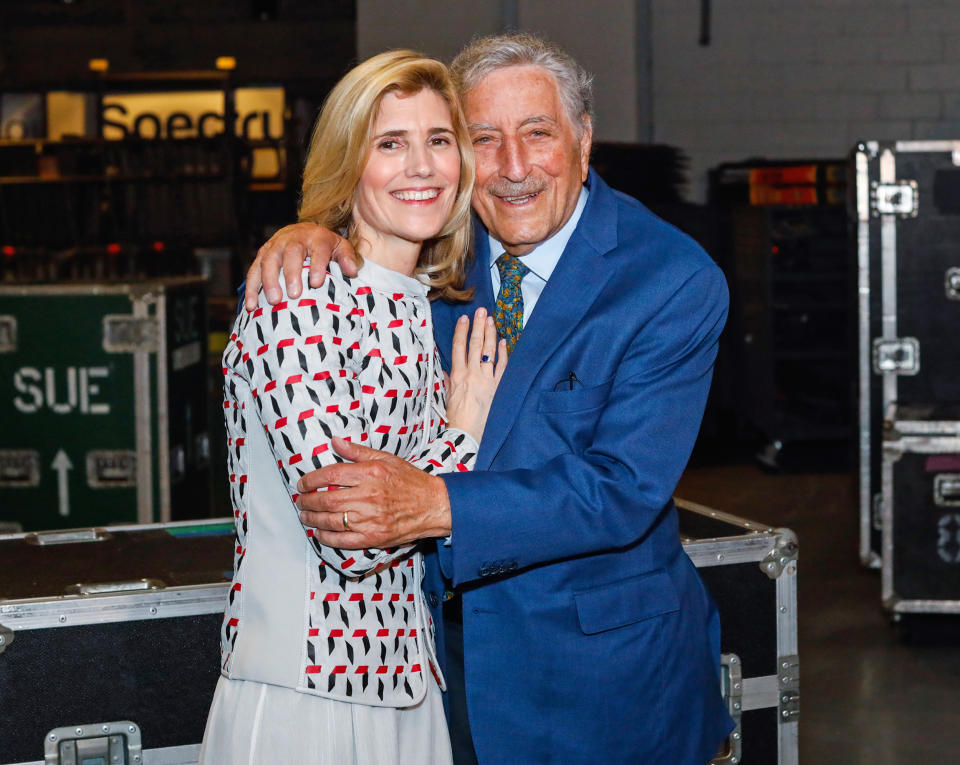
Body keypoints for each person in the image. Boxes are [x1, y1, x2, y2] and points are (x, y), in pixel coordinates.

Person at [246, 32, 734, 765]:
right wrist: (308, 230)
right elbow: (368, 223)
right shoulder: (436, 244)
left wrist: (435, 504)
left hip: (604, 686)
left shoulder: (669, 279)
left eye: (537, 133)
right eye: (483, 138)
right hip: (426, 677)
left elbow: (622, 488)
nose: (512, 168)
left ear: (584, 139)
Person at [200, 50, 507, 765]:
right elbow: (349, 528)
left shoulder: (420, 304)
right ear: (349, 164)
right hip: (308, 694)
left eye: (439, 140)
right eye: (390, 144)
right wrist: (462, 430)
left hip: (409, 687)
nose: (422, 166)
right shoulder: (300, 296)